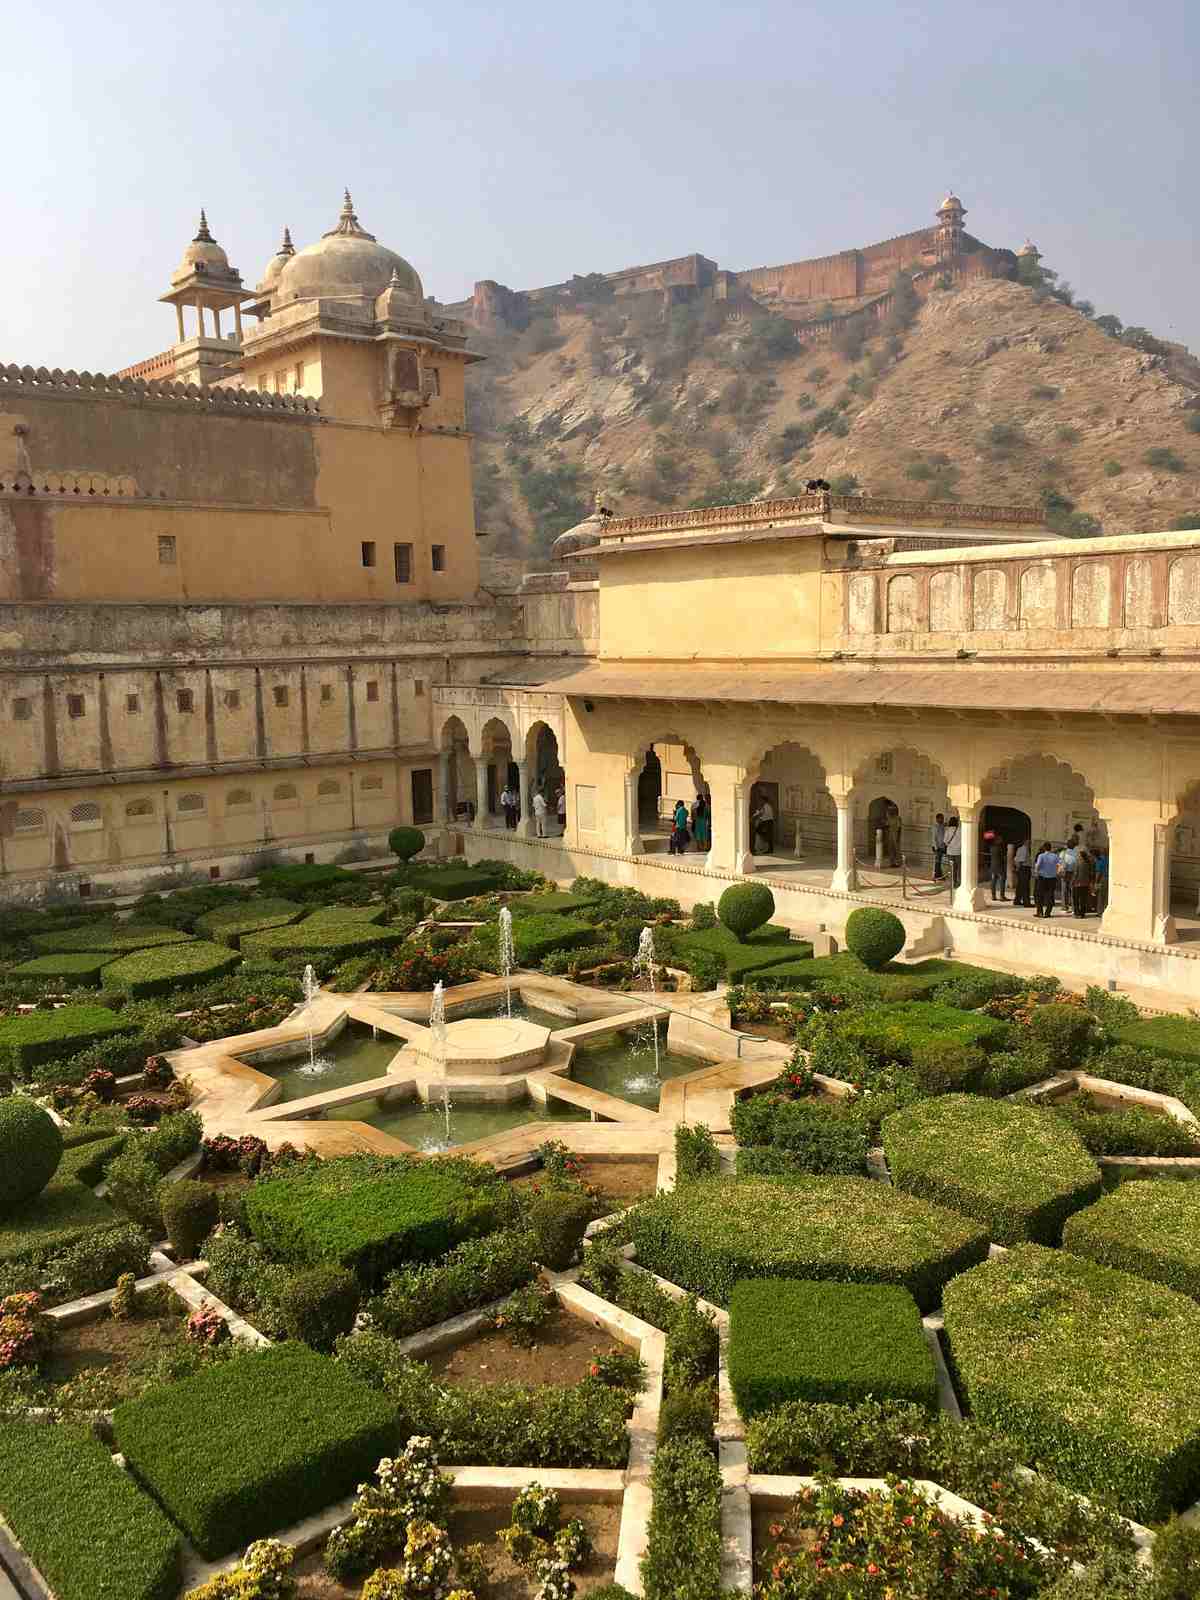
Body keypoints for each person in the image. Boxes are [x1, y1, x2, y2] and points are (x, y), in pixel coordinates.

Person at [1035, 840, 1060, 918]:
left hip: (1042, 877)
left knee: (1040, 895)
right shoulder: (1055, 856)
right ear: (1050, 848)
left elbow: (1038, 865)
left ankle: (1040, 912)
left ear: (1044, 848)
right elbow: (1059, 865)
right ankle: (1048, 913)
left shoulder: (1041, 856)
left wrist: (1036, 872)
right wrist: (1056, 873)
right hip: (1052, 878)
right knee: (1050, 895)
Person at [1072, 847, 1094, 917]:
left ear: (1080, 856)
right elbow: (1090, 873)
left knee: (1076, 899)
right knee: (1083, 900)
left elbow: (1075, 873)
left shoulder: (1078, 863)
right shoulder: (1088, 863)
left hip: (1077, 884)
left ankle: (1076, 913)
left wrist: (1072, 881)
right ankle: (1082, 913)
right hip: (1085, 884)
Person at [987, 831, 1007, 902]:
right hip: (1000, 866)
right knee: (1002, 880)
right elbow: (1003, 857)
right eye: (1000, 839)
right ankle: (1002, 896)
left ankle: (993, 896)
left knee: (993, 881)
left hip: (993, 866)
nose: (1002, 840)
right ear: (998, 840)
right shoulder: (1000, 848)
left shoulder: (991, 847)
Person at [1060, 837, 1078, 911]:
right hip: (1073, 872)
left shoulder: (1063, 853)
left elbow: (1060, 862)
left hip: (1064, 872)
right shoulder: (1076, 853)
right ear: (1074, 846)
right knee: (1073, 890)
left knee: (1064, 889)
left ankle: (1064, 906)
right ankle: (1073, 907)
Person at [1013, 838, 1032, 907]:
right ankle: (1026, 902)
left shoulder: (1019, 849)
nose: (1030, 844)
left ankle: (1017, 900)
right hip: (1024, 868)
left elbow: (1016, 859)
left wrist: (1017, 868)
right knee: (1025, 886)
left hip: (1022, 869)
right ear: (1025, 842)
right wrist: (1018, 868)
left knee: (1020, 886)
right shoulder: (1025, 849)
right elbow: (1021, 860)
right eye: (1029, 842)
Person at [945, 815, 962, 888]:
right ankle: (960, 882)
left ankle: (953, 882)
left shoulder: (948, 830)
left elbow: (945, 841)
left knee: (952, 868)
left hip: (950, 852)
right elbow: (963, 840)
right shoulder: (960, 830)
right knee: (959, 868)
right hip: (958, 852)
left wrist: (950, 845)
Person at [931, 812, 947, 881]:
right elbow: (933, 838)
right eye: (941, 818)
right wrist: (936, 848)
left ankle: (939, 875)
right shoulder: (935, 827)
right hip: (937, 847)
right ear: (937, 819)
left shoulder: (941, 825)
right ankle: (936, 876)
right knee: (937, 862)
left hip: (941, 847)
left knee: (939, 862)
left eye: (943, 818)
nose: (942, 820)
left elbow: (946, 824)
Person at [1093, 845, 1109, 913]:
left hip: (1102, 879)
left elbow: (1098, 872)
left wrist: (1096, 882)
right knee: (1106, 896)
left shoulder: (1100, 859)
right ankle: (1105, 909)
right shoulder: (1110, 859)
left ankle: (1100, 911)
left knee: (1100, 896)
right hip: (1109, 879)